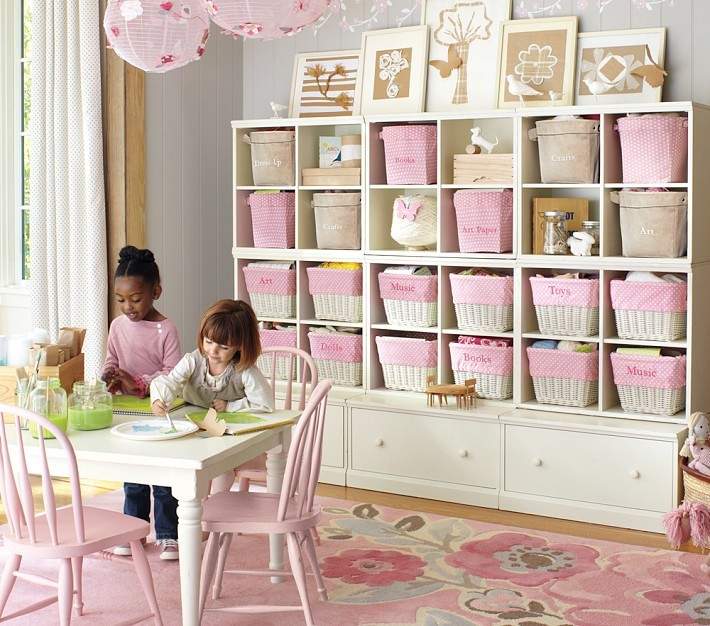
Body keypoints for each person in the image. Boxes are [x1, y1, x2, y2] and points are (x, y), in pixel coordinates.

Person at [102, 246, 182, 561]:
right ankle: (134, 531)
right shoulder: (117, 326)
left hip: (159, 410)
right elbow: (112, 360)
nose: (128, 307)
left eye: (135, 299)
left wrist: (137, 383)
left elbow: (172, 375)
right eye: (120, 300)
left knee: (162, 480)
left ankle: (168, 535)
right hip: (127, 412)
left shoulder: (166, 329)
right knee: (133, 477)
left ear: (156, 291)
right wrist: (110, 375)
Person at [151, 299, 273, 417]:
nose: (213, 351)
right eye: (208, 341)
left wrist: (231, 406)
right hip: (190, 417)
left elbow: (264, 404)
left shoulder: (245, 371)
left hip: (229, 424)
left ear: (240, 346)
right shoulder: (192, 361)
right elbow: (171, 382)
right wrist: (159, 400)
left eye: (224, 347)